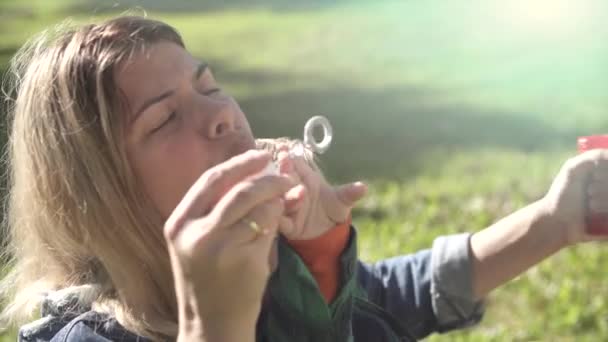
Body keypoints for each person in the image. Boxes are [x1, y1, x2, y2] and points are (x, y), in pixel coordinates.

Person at [0, 15, 607, 342]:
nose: (221, 115)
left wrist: (554, 221)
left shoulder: (273, 263)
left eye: (209, 87)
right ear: (100, 199)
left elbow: (396, 297)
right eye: (165, 119)